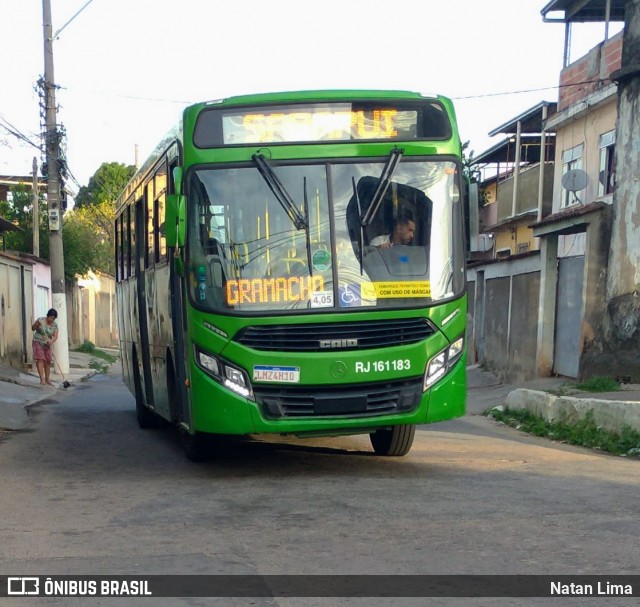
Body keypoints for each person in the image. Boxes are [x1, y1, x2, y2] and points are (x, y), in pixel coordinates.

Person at [32, 308, 59, 386]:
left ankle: (47, 379)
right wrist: (37, 324)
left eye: (54, 318)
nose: (52, 320)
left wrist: (51, 341)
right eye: (51, 318)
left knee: (48, 361)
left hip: (47, 344)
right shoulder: (41, 320)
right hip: (38, 342)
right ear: (48, 316)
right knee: (40, 359)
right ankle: (42, 379)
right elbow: (33, 328)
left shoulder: (55, 325)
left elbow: (56, 336)